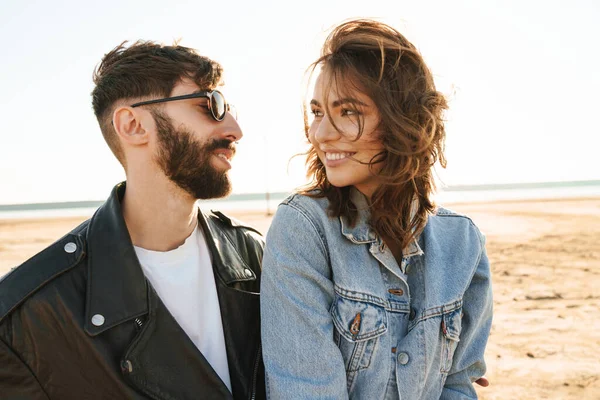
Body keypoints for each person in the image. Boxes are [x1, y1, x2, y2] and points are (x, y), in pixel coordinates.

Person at [0, 41, 265, 399]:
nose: (235, 129)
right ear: (134, 125)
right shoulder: (27, 317)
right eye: (210, 105)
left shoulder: (257, 257)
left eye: (228, 108)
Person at [261, 19, 493, 399]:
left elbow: (458, 384)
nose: (321, 134)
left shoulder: (463, 242)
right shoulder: (304, 227)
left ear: (403, 119)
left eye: (348, 111)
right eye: (317, 112)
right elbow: (306, 390)